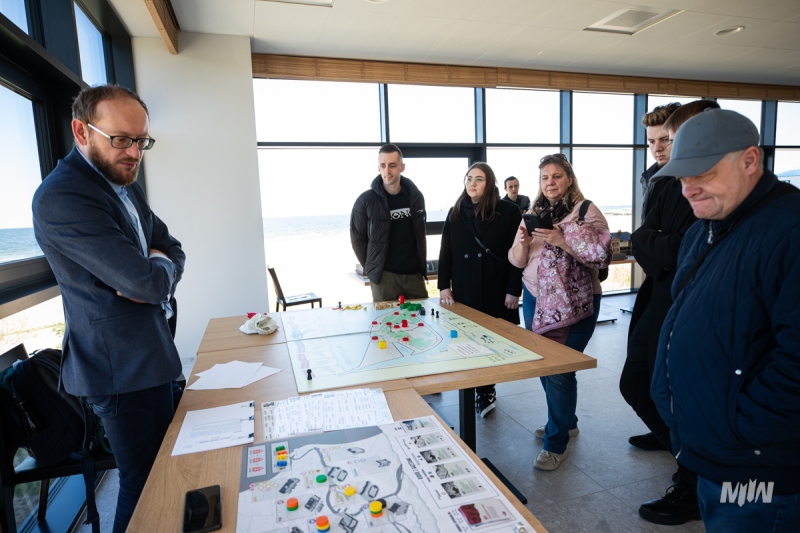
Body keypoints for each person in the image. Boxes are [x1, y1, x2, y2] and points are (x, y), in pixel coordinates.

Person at [31, 85, 185, 533]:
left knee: (162, 470)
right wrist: (155, 272)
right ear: (82, 131)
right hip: (117, 369)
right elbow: (145, 282)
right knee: (142, 483)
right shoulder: (63, 196)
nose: (134, 153)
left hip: (149, 355)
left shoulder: (122, 184)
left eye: (141, 141)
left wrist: (158, 267)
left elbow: (171, 248)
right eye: (121, 139)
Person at [650, 109, 800, 532]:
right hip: (712, 452)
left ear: (750, 160)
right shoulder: (706, 227)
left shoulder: (790, 229)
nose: (688, 189)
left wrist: (737, 425)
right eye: (682, 177)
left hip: (757, 467)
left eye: (703, 173)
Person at [626, 99, 721, 526]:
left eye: (667, 139)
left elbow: (679, 250)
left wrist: (646, 240)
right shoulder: (661, 180)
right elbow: (654, 244)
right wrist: (650, 241)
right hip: (661, 295)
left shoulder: (687, 184)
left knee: (659, 389)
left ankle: (692, 475)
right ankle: (677, 445)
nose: (660, 148)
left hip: (680, 301)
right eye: (653, 142)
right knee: (642, 385)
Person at [509, 154, 610, 470]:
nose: (549, 182)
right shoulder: (533, 213)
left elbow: (602, 256)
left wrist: (561, 240)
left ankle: (556, 442)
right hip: (534, 299)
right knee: (547, 366)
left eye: (556, 176)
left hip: (576, 304)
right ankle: (566, 421)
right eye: (544, 177)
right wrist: (522, 242)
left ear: (569, 178)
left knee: (560, 370)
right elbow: (516, 260)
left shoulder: (586, 211)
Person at [438, 163, 523, 418]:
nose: (472, 184)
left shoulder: (508, 211)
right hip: (465, 288)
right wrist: (443, 286)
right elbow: (446, 252)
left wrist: (513, 290)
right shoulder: (456, 212)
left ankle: (486, 389)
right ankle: (476, 387)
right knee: (467, 340)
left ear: (490, 183)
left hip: (496, 287)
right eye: (469, 178)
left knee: (492, 342)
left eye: (479, 179)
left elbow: (519, 254)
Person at [351, 144, 428, 302]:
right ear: (378, 168)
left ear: (402, 167)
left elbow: (420, 234)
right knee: (385, 318)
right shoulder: (365, 201)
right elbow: (357, 239)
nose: (387, 171)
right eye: (383, 165)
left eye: (392, 165)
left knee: (422, 317)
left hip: (414, 276)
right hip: (384, 278)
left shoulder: (416, 197)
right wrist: (372, 268)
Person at [639, 103, 681, 223]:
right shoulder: (648, 177)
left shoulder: (692, 179)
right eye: (652, 142)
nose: (657, 148)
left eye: (665, 139)